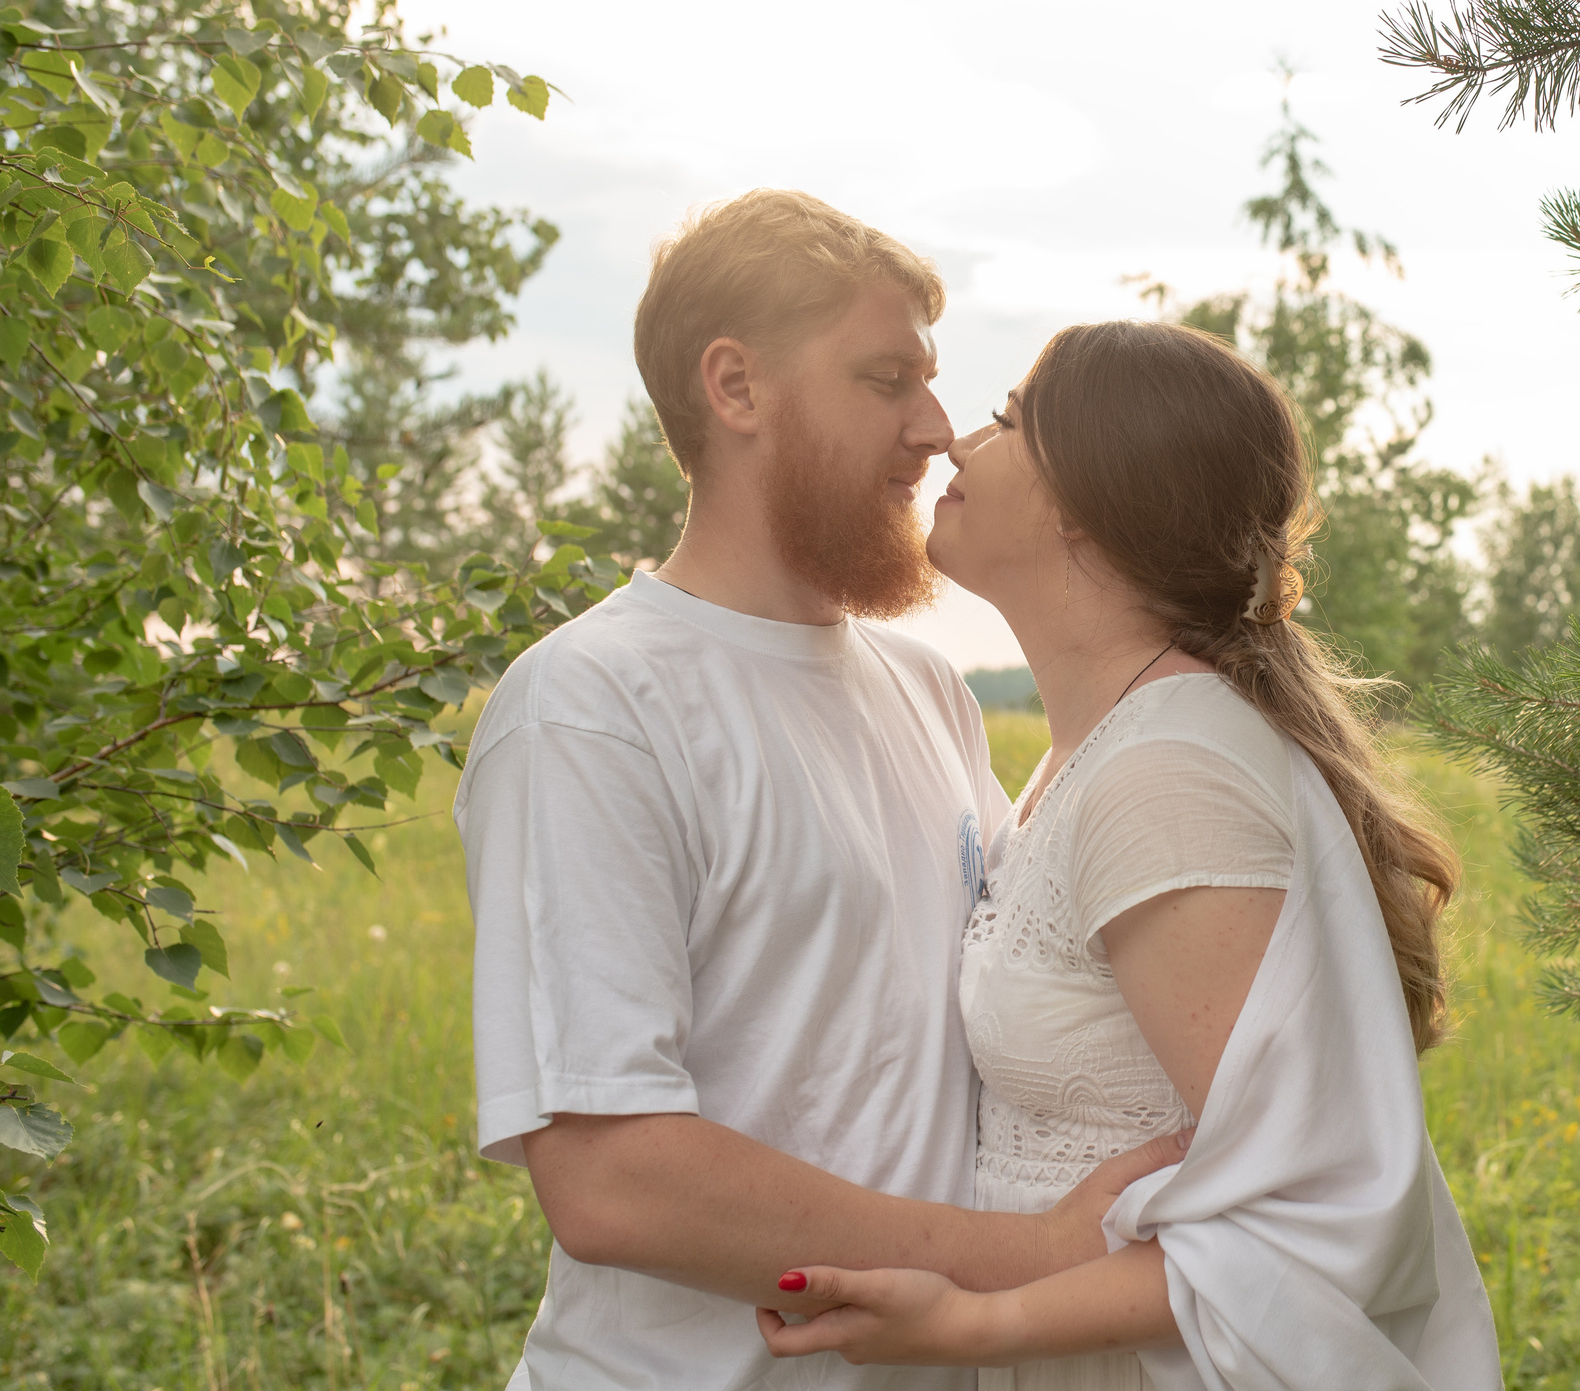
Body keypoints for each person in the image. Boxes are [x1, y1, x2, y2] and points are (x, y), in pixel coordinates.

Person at [453, 194, 1182, 1391]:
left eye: (934, 381)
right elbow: (611, 1178)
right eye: (885, 379)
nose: (938, 429)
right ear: (736, 387)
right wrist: (1032, 1255)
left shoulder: (925, 687)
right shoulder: (594, 706)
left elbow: (1038, 984)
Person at [756, 321, 1502, 1390]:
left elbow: (1303, 1223)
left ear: (1091, 500)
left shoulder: (1168, 777)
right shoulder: (1095, 751)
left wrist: (970, 1324)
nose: (962, 442)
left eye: (1011, 419)